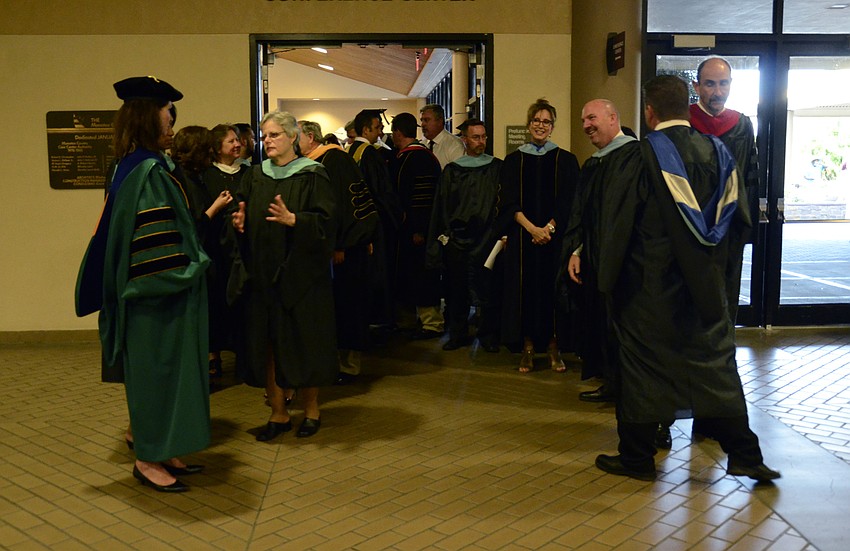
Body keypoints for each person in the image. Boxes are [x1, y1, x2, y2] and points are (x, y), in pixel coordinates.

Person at [593, 75, 779, 483]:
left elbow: (618, 226)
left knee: (642, 370)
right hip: (706, 288)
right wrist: (716, 274)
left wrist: (607, 280)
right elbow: (740, 223)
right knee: (715, 368)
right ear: (688, 106)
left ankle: (637, 458)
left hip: (649, 288)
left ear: (650, 112)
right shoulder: (719, 153)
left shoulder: (639, 157)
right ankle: (745, 455)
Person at [75, 76, 210, 492]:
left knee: (165, 375)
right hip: (156, 295)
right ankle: (147, 459)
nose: (173, 121)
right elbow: (155, 248)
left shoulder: (134, 164)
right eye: (169, 112)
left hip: (154, 295)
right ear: (150, 116)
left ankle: (164, 447)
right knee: (156, 377)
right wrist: (188, 271)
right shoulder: (146, 171)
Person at [231, 110, 337, 440]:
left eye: (274, 134)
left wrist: (296, 220)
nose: (267, 141)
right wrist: (238, 220)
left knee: (304, 343)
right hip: (263, 275)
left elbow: (328, 223)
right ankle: (278, 413)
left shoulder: (313, 174)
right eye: (264, 135)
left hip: (302, 277)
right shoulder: (255, 175)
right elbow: (241, 207)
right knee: (269, 345)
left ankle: (311, 410)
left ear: (293, 137)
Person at [563, 99, 640, 403]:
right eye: (583, 120)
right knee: (603, 321)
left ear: (612, 118)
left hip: (626, 262)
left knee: (624, 325)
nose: (586, 126)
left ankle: (628, 390)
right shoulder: (594, 163)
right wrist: (576, 250)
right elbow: (583, 214)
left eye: (592, 118)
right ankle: (611, 382)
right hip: (596, 258)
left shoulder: (634, 157)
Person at [498, 98, 580, 373]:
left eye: (546, 122)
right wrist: (532, 229)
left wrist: (549, 229)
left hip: (554, 240)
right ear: (529, 124)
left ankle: (554, 347)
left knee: (552, 292)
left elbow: (569, 202)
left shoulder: (566, 160)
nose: (541, 126)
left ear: (553, 126)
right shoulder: (513, 160)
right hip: (523, 239)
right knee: (526, 292)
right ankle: (528, 347)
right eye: (536, 120)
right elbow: (508, 202)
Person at [298, 119, 380, 385]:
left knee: (347, 307)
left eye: (296, 136)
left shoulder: (335, 160)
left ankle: (348, 366)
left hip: (345, 250)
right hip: (330, 249)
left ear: (311, 137)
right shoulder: (316, 161)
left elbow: (343, 206)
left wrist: (339, 244)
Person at [690, 56, 759, 325]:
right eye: (710, 84)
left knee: (728, 292)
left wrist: (746, 225)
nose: (718, 92)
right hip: (691, 224)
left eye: (723, 84)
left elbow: (749, 179)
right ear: (696, 86)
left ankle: (725, 343)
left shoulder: (741, 124)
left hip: (730, 226)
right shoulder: (684, 123)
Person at [428, 118, 503, 352]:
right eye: (475, 137)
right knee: (456, 288)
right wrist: (445, 236)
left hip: (487, 237)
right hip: (458, 238)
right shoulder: (452, 170)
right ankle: (457, 333)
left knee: (488, 288)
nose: (481, 141)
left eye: (483, 137)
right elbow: (443, 206)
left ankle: (488, 335)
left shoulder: (496, 168)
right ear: (465, 140)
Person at [389, 112, 444, 340]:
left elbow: (425, 198)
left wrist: (419, 229)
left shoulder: (420, 158)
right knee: (408, 275)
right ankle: (408, 321)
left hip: (418, 233)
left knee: (422, 277)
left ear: (398, 132)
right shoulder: (412, 157)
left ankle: (432, 323)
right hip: (405, 232)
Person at [202, 124, 249, 380]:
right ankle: (214, 355)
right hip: (215, 249)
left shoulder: (249, 172)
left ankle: (244, 354)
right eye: (230, 141)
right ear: (217, 146)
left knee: (242, 300)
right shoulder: (207, 175)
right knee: (216, 300)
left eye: (238, 140)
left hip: (241, 247)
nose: (237, 144)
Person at [349, 109, 403, 327]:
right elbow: (381, 191)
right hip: (374, 221)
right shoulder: (370, 154)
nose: (381, 132)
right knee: (378, 271)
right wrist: (396, 216)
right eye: (378, 127)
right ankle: (381, 319)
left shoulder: (350, 150)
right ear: (365, 130)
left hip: (357, 223)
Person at [419, 103, 465, 169]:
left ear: (440, 121)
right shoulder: (422, 145)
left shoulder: (455, 145)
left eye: (426, 120)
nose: (422, 124)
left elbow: (458, 173)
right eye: (422, 120)